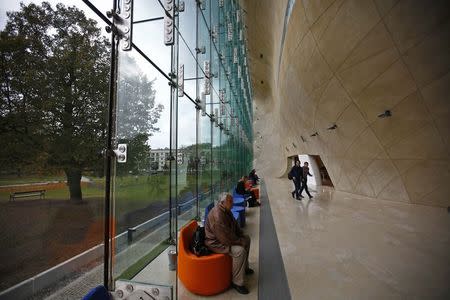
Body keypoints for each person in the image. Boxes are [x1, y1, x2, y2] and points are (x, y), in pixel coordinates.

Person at [205, 193, 254, 294]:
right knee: (240, 251)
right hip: (217, 243)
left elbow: (235, 225)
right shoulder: (218, 216)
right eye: (230, 201)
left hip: (225, 238)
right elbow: (225, 239)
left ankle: (245, 267)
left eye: (232, 201)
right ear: (223, 202)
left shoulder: (226, 210)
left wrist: (241, 236)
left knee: (247, 239)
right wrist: (240, 241)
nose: (232, 203)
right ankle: (237, 282)